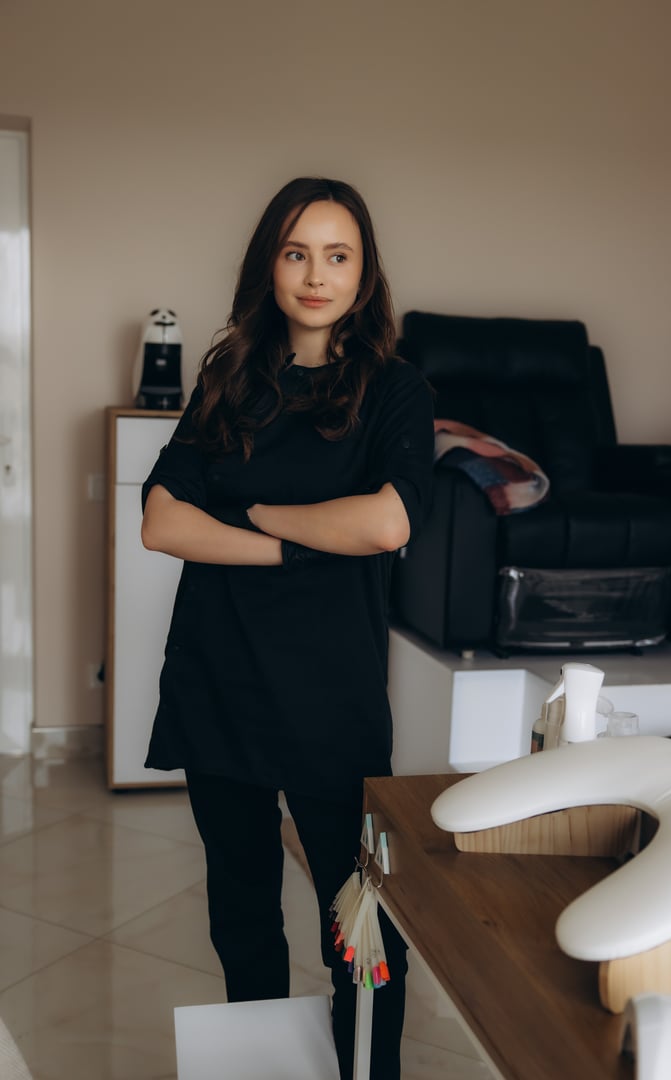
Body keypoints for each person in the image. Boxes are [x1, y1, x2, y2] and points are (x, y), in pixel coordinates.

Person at [140, 176, 435, 1078]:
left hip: (328, 692)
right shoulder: (230, 375)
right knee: (240, 905)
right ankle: (259, 1061)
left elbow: (385, 524)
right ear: (269, 262)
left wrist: (252, 510)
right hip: (218, 676)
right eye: (296, 252)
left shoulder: (393, 389)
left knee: (360, 914)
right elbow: (162, 522)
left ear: (363, 273)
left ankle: (366, 1072)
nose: (316, 275)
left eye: (337, 256)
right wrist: (304, 543)